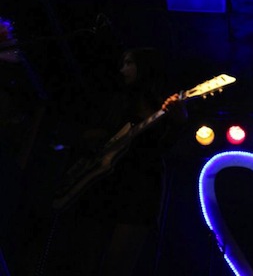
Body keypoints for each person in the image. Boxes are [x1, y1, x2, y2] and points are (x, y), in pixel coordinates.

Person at [48, 47, 188, 276]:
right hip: (103, 185)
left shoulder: (162, 105)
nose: (123, 69)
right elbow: (88, 135)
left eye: (129, 63)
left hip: (140, 189)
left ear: (144, 66)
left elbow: (168, 149)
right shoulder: (115, 99)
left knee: (117, 266)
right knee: (83, 261)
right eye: (122, 63)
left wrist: (180, 121)